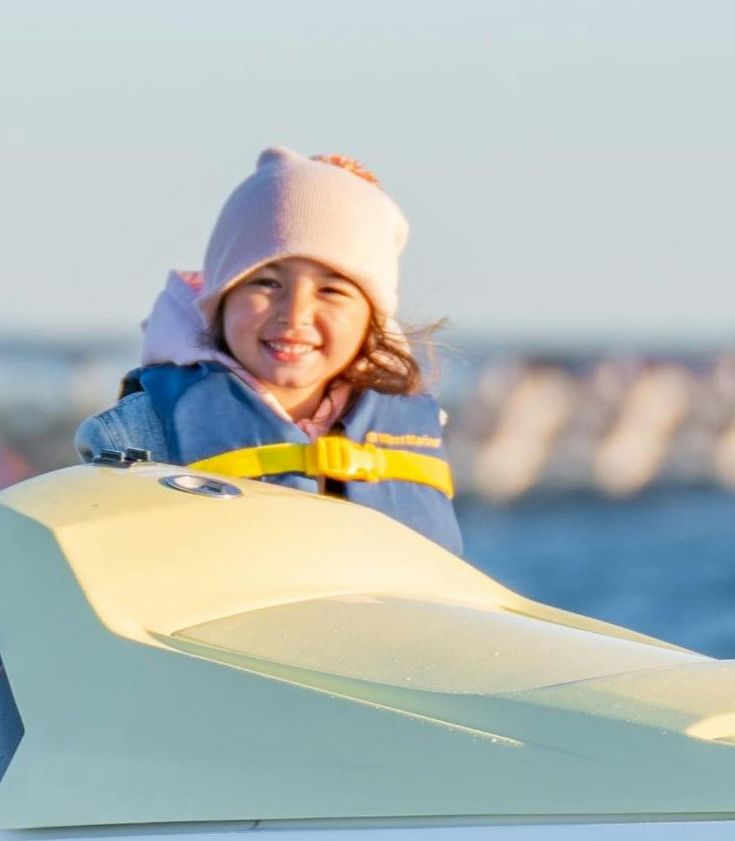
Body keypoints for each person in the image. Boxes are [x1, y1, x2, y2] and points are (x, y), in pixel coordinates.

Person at [79, 147, 460, 548]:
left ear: (372, 319)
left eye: (331, 290)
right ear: (220, 298)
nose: (295, 315)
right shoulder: (145, 427)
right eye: (266, 283)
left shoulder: (411, 426)